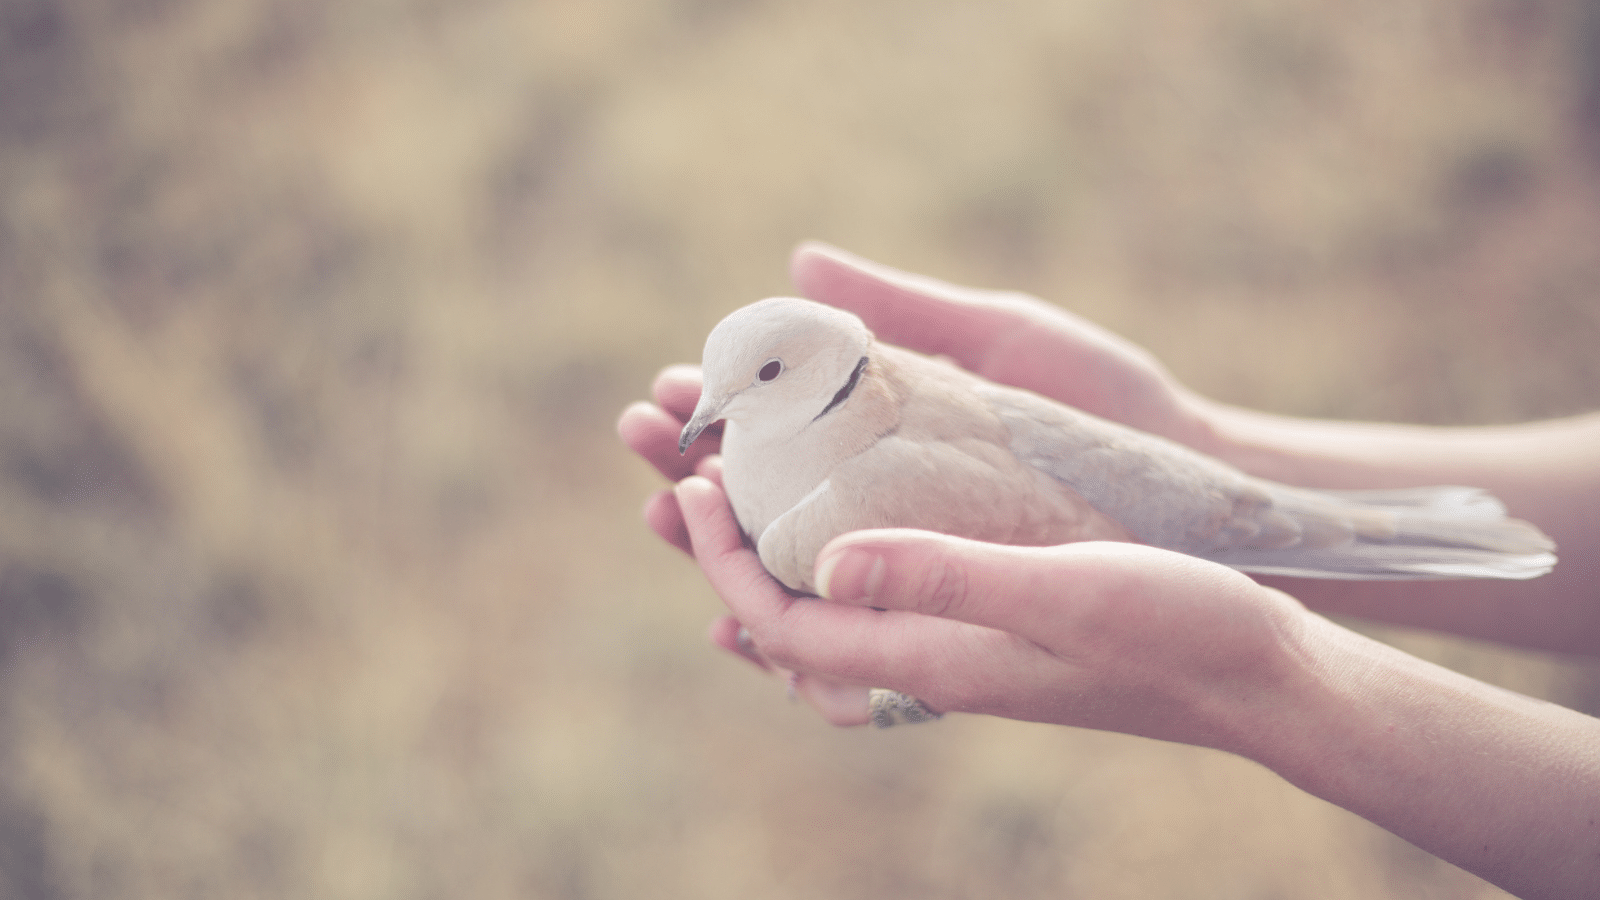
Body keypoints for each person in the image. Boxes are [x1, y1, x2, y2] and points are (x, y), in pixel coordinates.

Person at [616, 241, 1600, 900]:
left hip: (1124, 504)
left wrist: (1270, 672)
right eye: (720, 387)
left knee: (1315, 532)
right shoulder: (836, 395)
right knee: (1329, 528)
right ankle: (1423, 525)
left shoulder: (834, 507)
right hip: (1102, 480)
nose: (712, 414)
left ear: (823, 365)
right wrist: (1202, 445)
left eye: (760, 380)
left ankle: (1414, 528)